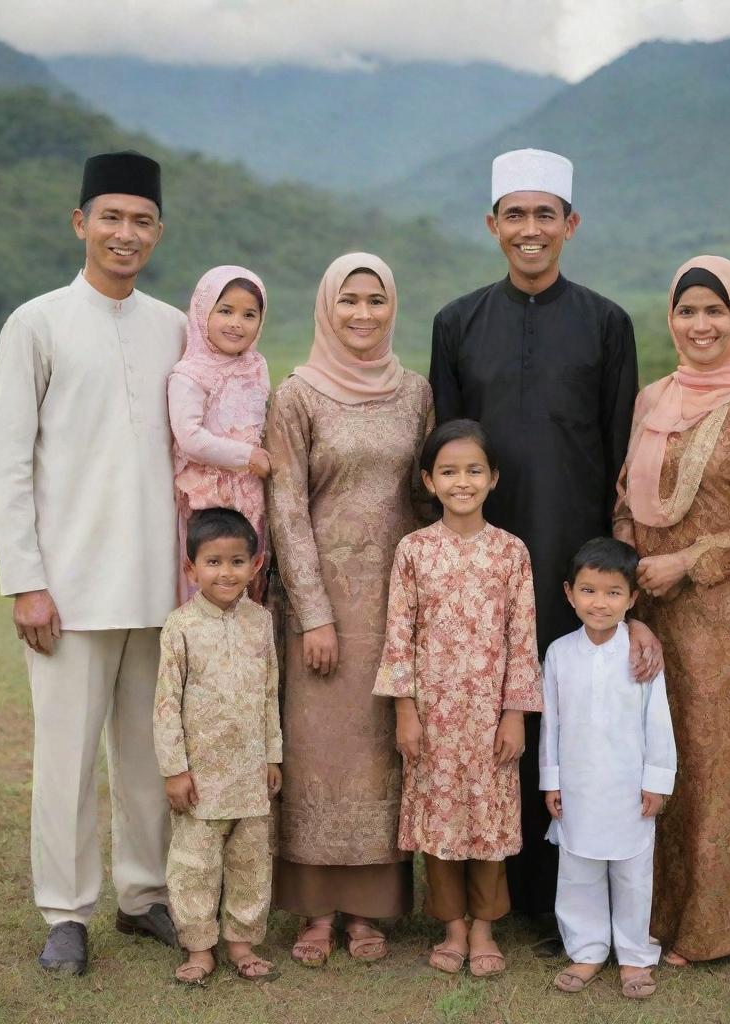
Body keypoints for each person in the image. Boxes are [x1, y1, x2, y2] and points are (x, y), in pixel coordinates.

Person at [429, 147, 661, 921]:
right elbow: (446, 453)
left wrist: (619, 585)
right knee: (487, 716)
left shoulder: (607, 324)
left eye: (545, 216)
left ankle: (570, 902)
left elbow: (622, 461)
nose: (531, 230)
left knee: (571, 717)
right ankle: (491, 894)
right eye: (516, 216)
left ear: (571, 224)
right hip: (479, 565)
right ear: (493, 225)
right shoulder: (457, 322)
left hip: (574, 564)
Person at [0, 150, 185, 974]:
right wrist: (27, 581)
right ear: (80, 223)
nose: (125, 234)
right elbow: (9, 464)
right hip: (67, 590)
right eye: (110, 217)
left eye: (141, 221)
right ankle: (66, 912)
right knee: (65, 759)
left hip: (162, 589)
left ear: (158, 232)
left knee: (150, 755)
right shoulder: (36, 323)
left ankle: (145, 897)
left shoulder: (176, 326)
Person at [614, 255, 730, 965]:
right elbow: (625, 498)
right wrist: (628, 584)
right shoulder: (652, 398)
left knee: (712, 765)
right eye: (687, 311)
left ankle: (710, 929)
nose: (699, 325)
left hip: (719, 619)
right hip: (648, 611)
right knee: (651, 761)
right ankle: (646, 916)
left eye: (713, 311)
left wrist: (688, 562)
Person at [265, 252, 433, 965]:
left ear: (393, 306)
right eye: (349, 301)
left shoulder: (416, 392)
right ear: (326, 308)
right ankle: (313, 909)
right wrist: (313, 614)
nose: (363, 314)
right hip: (321, 609)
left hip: (395, 606)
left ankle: (370, 910)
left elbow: (429, 495)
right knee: (315, 753)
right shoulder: (295, 395)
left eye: (376, 300)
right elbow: (286, 508)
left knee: (381, 754)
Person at [374, 419, 542, 978]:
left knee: (489, 825)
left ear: (493, 478)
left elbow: (523, 640)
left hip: (491, 717)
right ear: (429, 480)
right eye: (448, 471)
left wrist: (515, 715)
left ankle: (485, 927)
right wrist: (405, 711)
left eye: (474, 470)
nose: (461, 481)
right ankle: (451, 927)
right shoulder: (413, 551)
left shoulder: (512, 553)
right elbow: (398, 635)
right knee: (440, 826)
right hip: (433, 718)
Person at [539, 537, 676, 999]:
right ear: (569, 593)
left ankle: (635, 957)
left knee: (632, 873)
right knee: (578, 872)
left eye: (613, 592)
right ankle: (587, 949)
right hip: (577, 788)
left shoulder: (641, 655)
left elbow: (658, 722)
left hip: (629, 788)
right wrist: (551, 780)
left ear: (632, 598)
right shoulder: (559, 653)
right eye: (589, 591)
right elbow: (551, 724)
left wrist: (657, 781)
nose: (600, 603)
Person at [154, 508, 282, 984]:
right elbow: (166, 705)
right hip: (201, 777)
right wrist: (175, 769)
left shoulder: (261, 622)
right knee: (195, 864)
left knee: (250, 861)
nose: (225, 573)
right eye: (212, 562)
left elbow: (270, 692)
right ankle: (199, 947)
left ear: (256, 563)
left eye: (235, 561)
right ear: (191, 569)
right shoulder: (180, 627)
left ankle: (242, 942)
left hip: (250, 773)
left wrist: (273, 755)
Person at [169, 266, 272, 604]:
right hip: (208, 504)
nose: (236, 323)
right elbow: (189, 437)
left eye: (249, 314)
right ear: (202, 312)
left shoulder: (257, 366)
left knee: (249, 589)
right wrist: (247, 457)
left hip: (250, 499)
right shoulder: (190, 373)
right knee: (211, 592)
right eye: (225, 311)